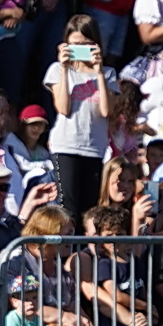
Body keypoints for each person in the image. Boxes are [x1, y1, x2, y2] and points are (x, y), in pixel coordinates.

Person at [45, 14, 116, 216]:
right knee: (68, 206)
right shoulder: (56, 70)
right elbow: (63, 108)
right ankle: (66, 247)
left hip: (94, 147)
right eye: (75, 44)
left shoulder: (108, 73)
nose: (81, 50)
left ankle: (83, 247)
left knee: (89, 210)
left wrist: (99, 72)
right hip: (66, 145)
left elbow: (106, 111)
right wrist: (66, 70)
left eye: (87, 44)